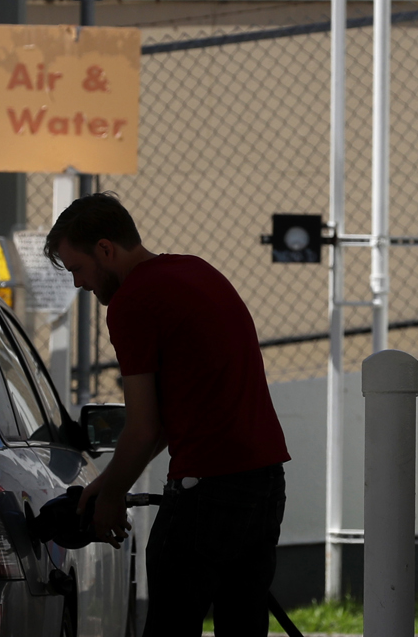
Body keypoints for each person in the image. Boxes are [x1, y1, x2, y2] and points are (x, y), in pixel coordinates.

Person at [50, 194, 290, 637]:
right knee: (244, 624)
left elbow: (141, 428)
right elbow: (169, 416)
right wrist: (110, 481)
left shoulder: (134, 303)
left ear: (106, 249)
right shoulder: (196, 271)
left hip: (208, 493)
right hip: (264, 483)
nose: (79, 284)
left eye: (78, 269)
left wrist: (109, 500)